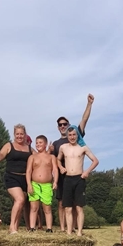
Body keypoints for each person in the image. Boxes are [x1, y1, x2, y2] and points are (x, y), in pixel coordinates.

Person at [51, 94, 95, 231]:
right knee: (62, 203)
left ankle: (75, 228)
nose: (63, 126)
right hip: (63, 177)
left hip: (77, 175)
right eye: (60, 125)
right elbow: (54, 160)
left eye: (65, 124)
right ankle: (63, 229)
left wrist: (89, 104)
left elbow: (84, 119)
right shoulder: (57, 144)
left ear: (69, 126)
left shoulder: (77, 136)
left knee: (77, 205)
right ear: (58, 127)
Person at [0, 124, 33, 234]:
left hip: (25, 179)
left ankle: (16, 229)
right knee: (20, 199)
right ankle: (11, 227)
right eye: (17, 134)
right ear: (14, 134)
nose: (19, 136)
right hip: (12, 177)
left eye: (21, 134)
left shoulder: (29, 148)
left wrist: (49, 152)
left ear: (25, 134)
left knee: (20, 204)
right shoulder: (9, 146)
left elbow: (40, 158)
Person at [57, 126, 99, 236]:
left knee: (79, 207)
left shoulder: (83, 147)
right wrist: (61, 167)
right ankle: (69, 232)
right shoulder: (63, 147)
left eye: (74, 135)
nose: (72, 137)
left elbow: (95, 161)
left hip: (79, 179)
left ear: (77, 135)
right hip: (67, 179)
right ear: (67, 136)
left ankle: (79, 232)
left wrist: (87, 172)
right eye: (70, 135)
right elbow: (58, 159)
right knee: (67, 208)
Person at [26, 135, 58, 233]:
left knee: (47, 208)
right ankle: (32, 227)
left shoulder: (51, 157)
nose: (38, 144)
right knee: (34, 207)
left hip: (47, 185)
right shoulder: (32, 157)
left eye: (40, 142)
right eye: (36, 143)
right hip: (34, 184)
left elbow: (55, 170)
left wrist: (55, 182)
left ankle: (49, 228)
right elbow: (28, 171)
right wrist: (29, 185)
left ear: (45, 144)